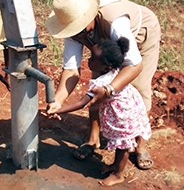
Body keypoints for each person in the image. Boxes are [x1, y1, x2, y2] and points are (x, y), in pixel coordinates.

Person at [45, 0, 161, 170]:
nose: (79, 35)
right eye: (74, 31)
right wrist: (58, 102)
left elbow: (135, 65)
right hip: (104, 54)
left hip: (140, 38)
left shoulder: (113, 22)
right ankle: (93, 139)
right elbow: (71, 70)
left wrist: (109, 89)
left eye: (81, 29)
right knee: (96, 87)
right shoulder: (73, 31)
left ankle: (140, 144)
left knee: (136, 89)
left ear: (89, 15)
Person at [47, 37, 152, 187]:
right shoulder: (118, 72)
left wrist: (59, 110)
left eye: (93, 59)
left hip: (124, 118)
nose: (88, 61)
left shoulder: (101, 84)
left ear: (106, 67)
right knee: (120, 145)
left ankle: (118, 175)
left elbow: (81, 103)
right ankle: (116, 165)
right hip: (131, 110)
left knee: (122, 147)